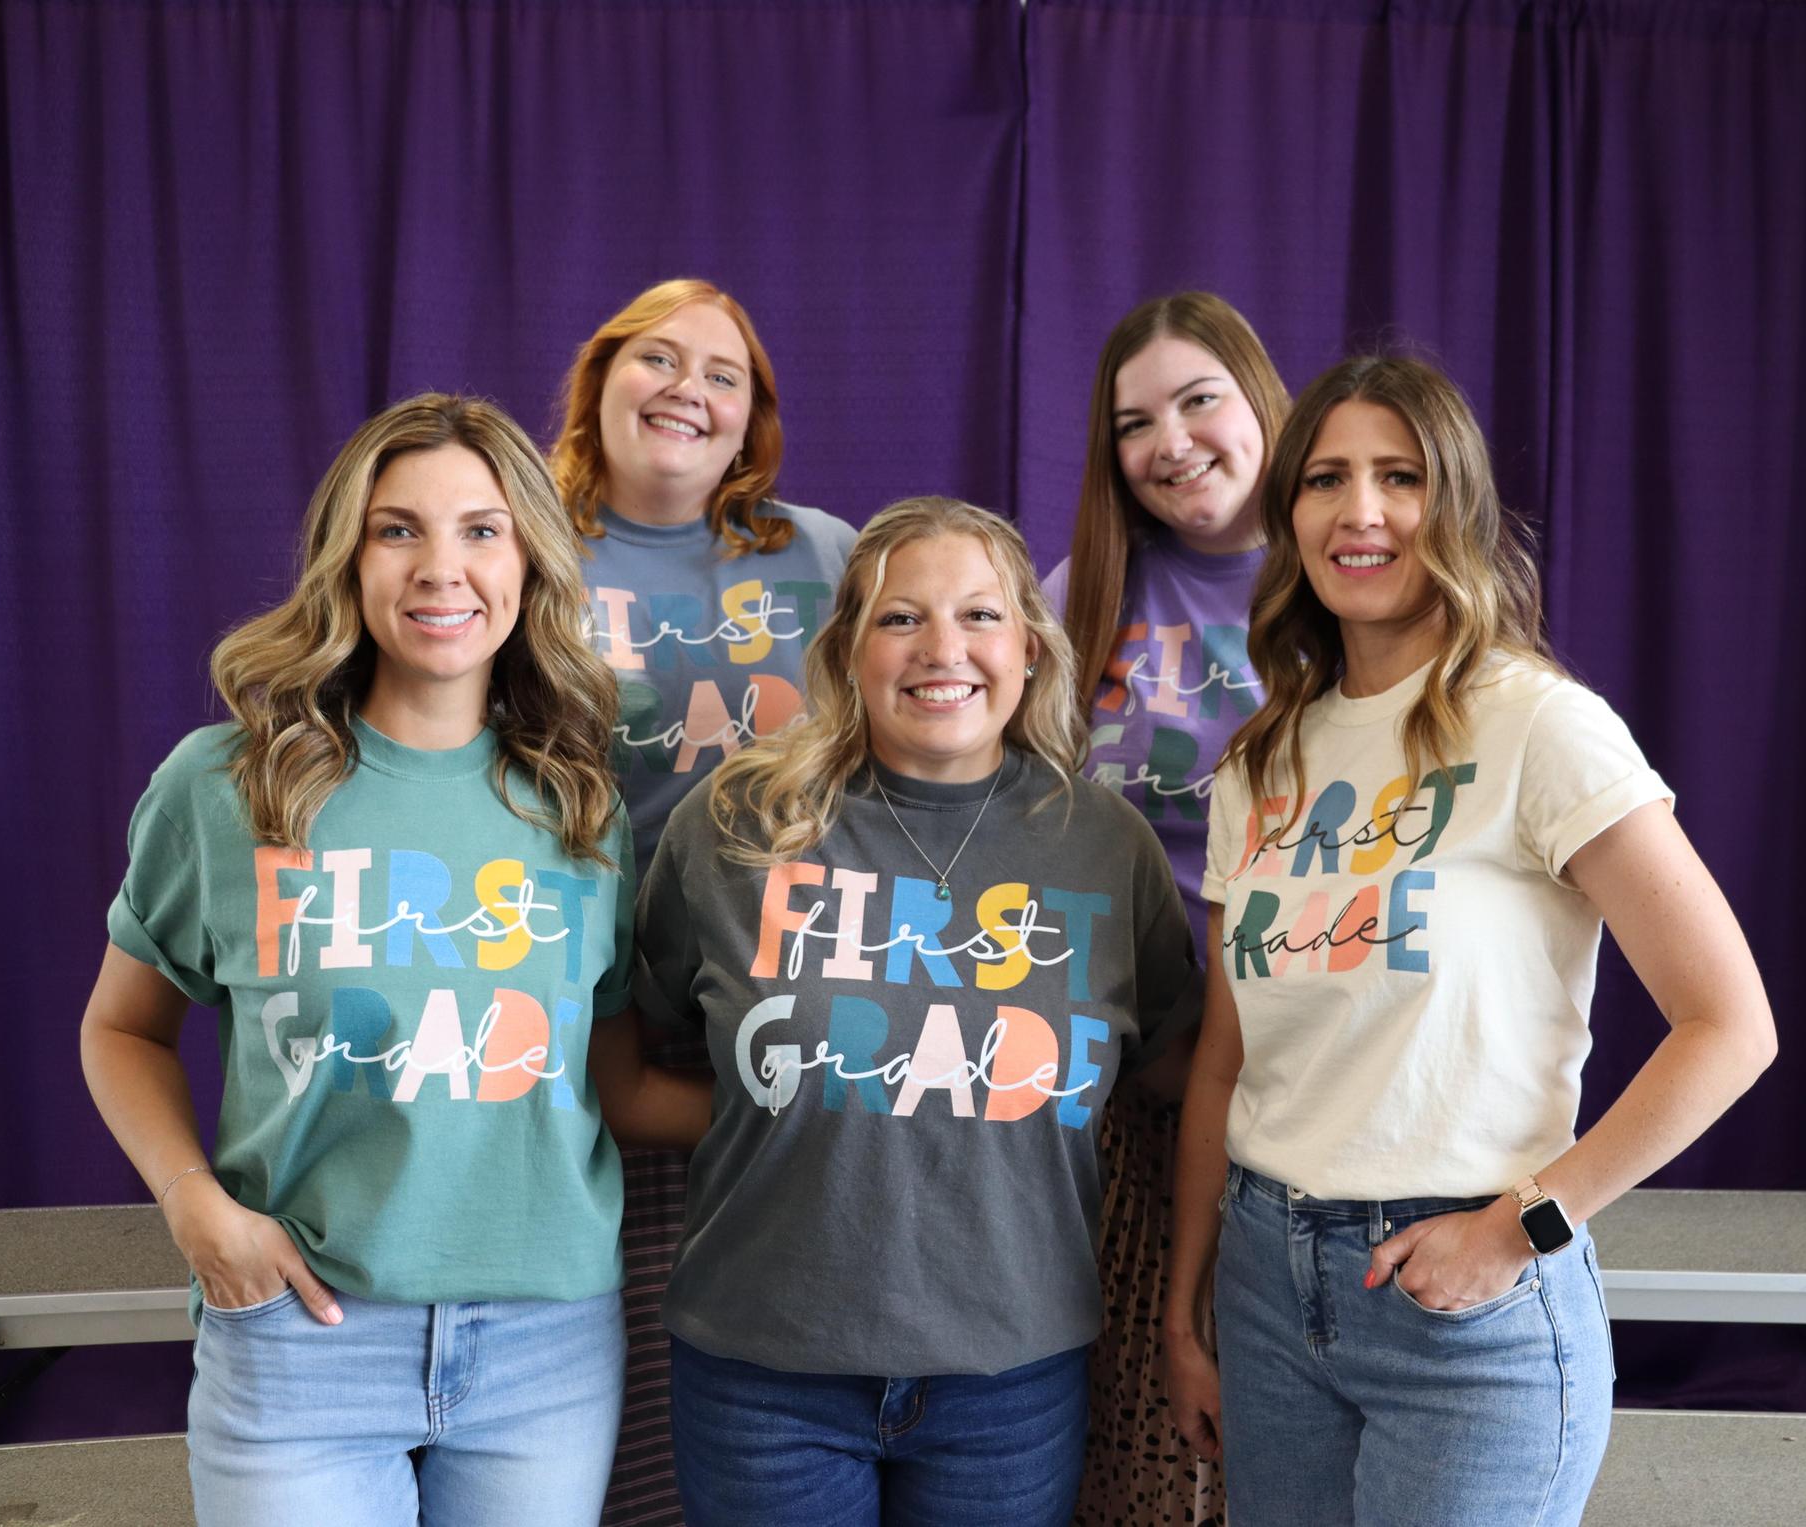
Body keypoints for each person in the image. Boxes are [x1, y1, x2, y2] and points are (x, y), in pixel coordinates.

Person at [1165, 356, 1777, 1526]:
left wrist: (1523, 1227)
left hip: (1464, 1305)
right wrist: (1184, 1307)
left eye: (1401, 477)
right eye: (1327, 479)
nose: (1362, 512)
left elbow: (1731, 1027)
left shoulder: (1539, 725)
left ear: (1459, 507)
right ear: (1287, 515)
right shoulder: (1259, 765)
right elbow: (1226, 1065)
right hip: (1263, 1283)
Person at [80, 394, 701, 1526]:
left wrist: (826, 1110)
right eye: (397, 528)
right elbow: (120, 1029)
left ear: (528, 561)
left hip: (545, 1347)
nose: (441, 567)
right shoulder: (229, 785)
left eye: (481, 528)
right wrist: (194, 1207)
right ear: (347, 561)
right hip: (303, 1335)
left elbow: (605, 1077)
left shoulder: (581, 803)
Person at [633, 496, 1200, 1525]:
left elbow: (1173, 1069)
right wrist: (775, 1109)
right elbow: (630, 1040)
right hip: (764, 1370)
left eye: (980, 616)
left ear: (1030, 647)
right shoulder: (735, 822)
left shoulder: (1107, 845)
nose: (944, 648)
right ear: (848, 649)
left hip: (1013, 1380)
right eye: (901, 618)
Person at [548, 277, 857, 1521]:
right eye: (658, 359)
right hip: (578, 1001)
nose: (689, 389)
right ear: (601, 378)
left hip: (766, 990)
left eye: (722, 376)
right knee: (605, 1362)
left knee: (758, 1350)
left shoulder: (823, 554)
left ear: (751, 422)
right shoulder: (523, 542)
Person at [1044, 292, 1290, 1526]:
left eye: (1201, 401)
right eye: (1135, 423)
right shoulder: (1074, 595)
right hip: (1125, 1079)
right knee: (1141, 1412)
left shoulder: (1349, 582)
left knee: (1277, 1417)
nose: (1173, 441)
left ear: (1262, 404)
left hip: (1304, 1066)